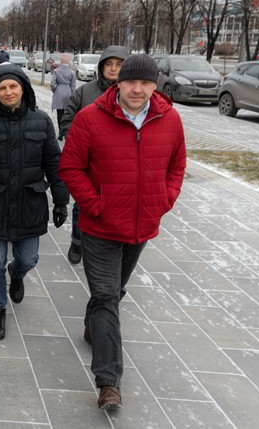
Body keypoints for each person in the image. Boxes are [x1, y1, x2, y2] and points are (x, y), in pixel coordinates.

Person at [58, 54, 186, 411]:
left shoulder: (169, 119)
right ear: (118, 82)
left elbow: (177, 165)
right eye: (131, 82)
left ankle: (93, 325)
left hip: (142, 225)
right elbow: (70, 166)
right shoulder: (90, 118)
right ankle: (109, 381)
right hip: (100, 227)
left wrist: (164, 200)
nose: (137, 89)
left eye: (145, 83)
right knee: (106, 296)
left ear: (154, 85)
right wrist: (95, 204)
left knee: (114, 291)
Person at [0, 65, 68, 341]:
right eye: (2, 88)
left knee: (28, 258)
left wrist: (60, 200)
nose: (8, 92)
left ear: (23, 88)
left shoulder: (42, 120)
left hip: (29, 202)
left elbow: (54, 164)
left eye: (13, 87)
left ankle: (17, 274)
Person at [59, 46, 128, 264]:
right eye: (109, 64)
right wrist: (78, 144)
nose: (113, 69)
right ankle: (77, 242)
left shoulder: (134, 94)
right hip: (90, 164)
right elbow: (67, 119)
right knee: (83, 206)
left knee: (119, 208)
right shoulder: (85, 92)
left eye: (119, 65)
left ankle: (113, 246)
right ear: (101, 67)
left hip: (121, 166)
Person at [49, 53, 77, 139]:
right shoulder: (72, 73)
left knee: (59, 113)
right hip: (68, 92)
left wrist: (55, 91)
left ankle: (60, 132)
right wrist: (72, 95)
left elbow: (52, 84)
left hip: (59, 92)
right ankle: (65, 131)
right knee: (67, 113)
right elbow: (73, 86)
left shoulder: (56, 71)